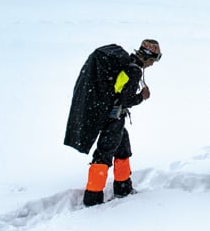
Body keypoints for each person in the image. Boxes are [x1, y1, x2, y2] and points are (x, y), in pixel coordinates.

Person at [63, 39, 162, 207]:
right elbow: (125, 99)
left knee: (123, 148)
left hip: (110, 115)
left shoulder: (126, 64)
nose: (154, 63)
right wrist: (142, 97)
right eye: (155, 59)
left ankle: (123, 187)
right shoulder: (134, 70)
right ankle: (93, 197)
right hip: (114, 118)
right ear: (149, 58)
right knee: (104, 154)